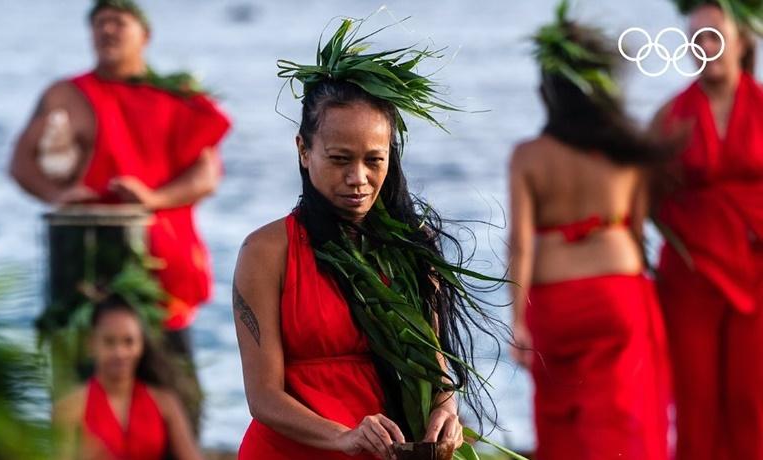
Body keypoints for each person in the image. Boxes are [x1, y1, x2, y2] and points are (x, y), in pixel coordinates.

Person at [232, 18, 499, 460]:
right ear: (303, 149)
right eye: (339, 159)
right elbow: (263, 398)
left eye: (374, 160)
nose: (358, 179)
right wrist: (342, 436)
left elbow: (431, 368)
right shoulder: (265, 251)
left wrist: (446, 409)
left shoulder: (411, 245)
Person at [9, 0, 231, 432]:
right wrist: (60, 194)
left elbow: (207, 175)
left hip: (159, 259)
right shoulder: (67, 94)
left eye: (119, 21)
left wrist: (152, 198)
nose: (107, 30)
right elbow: (21, 163)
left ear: (144, 34)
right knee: (80, 376)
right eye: (99, 22)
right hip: (87, 261)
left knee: (173, 374)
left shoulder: (176, 95)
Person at [509, 3, 670, 459]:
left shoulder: (529, 156)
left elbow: (520, 243)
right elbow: (637, 233)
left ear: (551, 89)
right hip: (617, 297)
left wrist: (516, 319)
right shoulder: (628, 150)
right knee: (621, 421)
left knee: (560, 426)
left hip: (556, 303)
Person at [651, 2, 763, 458]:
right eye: (696, 37)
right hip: (690, 278)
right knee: (694, 404)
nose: (705, 46)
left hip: (757, 276)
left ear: (742, 40)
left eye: (714, 34)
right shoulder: (671, 116)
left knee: (752, 401)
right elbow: (640, 196)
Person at [53, 295, 203, 460]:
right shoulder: (69, 409)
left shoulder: (165, 403)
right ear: (92, 344)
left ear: (141, 345)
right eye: (109, 342)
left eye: (129, 342)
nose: (120, 352)